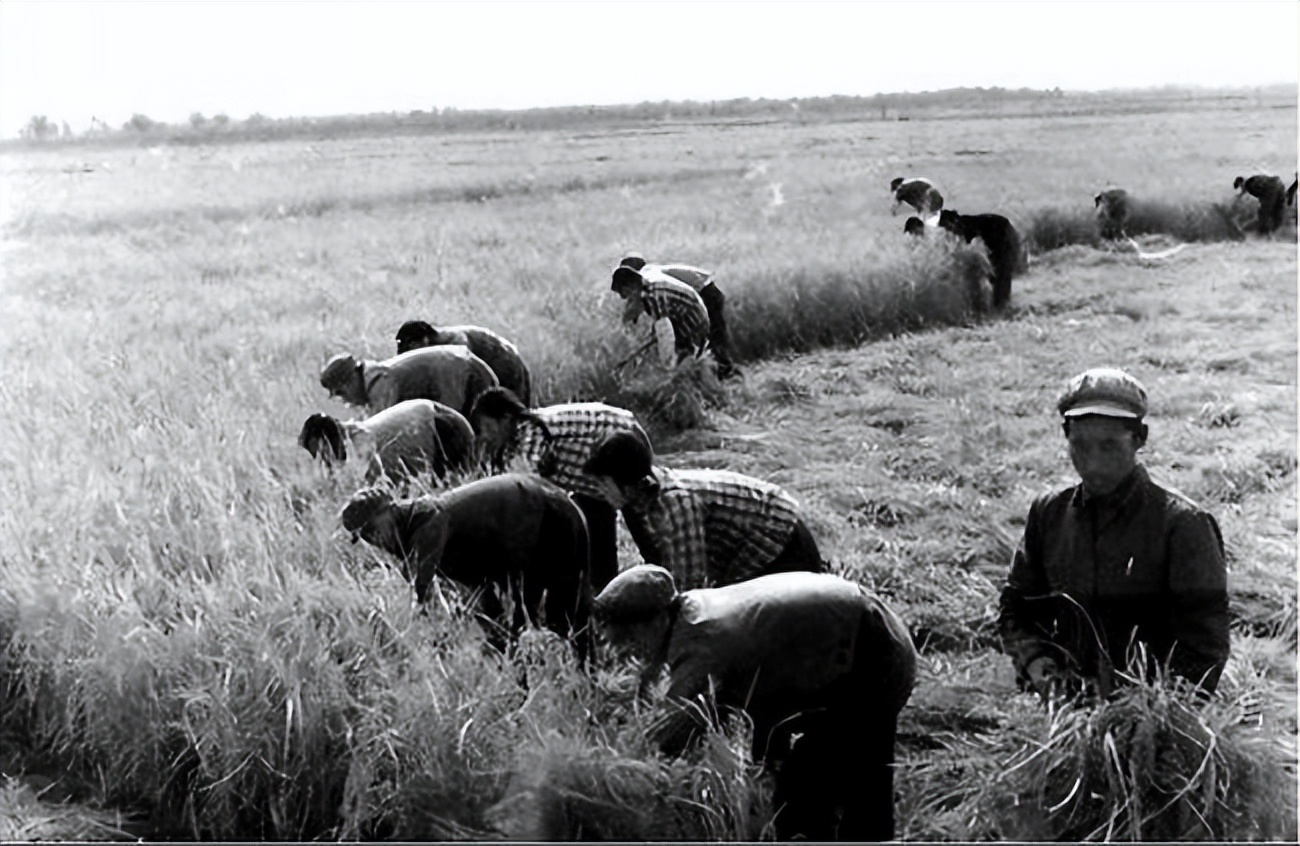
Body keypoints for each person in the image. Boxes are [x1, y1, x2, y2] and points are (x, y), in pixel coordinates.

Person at [594, 565, 917, 841]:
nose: (630, 652)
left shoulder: (702, 644)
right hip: (852, 634)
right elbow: (738, 699)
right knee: (822, 778)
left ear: (655, 622)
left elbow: (668, 737)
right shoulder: (693, 608)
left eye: (630, 639)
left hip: (874, 651)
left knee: (817, 787)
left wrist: (620, 781)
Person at [998, 367, 1230, 703]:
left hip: (1155, 720)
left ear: (1140, 438)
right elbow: (1016, 608)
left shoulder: (1183, 526)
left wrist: (1148, 719)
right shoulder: (1049, 514)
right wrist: (1035, 662)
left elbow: (1204, 648)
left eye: (1109, 446)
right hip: (1063, 713)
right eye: (1080, 446)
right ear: (1066, 436)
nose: (1093, 464)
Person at [341, 474, 592, 655]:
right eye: (363, 536)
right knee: (505, 625)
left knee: (564, 612)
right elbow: (476, 583)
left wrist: (420, 646)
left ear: (389, 511)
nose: (372, 540)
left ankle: (584, 676)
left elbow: (422, 597)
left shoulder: (426, 522)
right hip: (522, 525)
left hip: (542, 513)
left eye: (372, 529)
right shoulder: (414, 530)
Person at [582, 432, 825, 590]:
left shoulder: (674, 506)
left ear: (625, 482)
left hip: (782, 548)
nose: (599, 490)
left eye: (604, 482)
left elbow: (691, 590)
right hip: (760, 550)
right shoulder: (648, 497)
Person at [468, 387, 652, 591]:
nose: (486, 435)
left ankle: (658, 574)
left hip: (620, 439)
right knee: (594, 540)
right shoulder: (512, 445)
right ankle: (605, 596)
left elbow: (526, 487)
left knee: (640, 516)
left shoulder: (530, 431)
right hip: (590, 481)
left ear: (505, 418)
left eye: (487, 426)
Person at [619, 254, 739, 379]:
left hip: (706, 293)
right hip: (703, 293)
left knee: (714, 341)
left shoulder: (650, 275)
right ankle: (713, 374)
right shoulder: (650, 277)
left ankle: (727, 376)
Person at [298, 399, 474, 483]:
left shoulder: (361, 443)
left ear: (330, 440)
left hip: (442, 429)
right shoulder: (350, 432)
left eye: (322, 451)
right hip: (433, 417)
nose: (322, 459)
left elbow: (370, 493)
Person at [319, 345, 498, 418]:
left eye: (341, 393)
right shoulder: (374, 377)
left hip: (458, 373)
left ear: (351, 380)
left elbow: (382, 431)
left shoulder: (379, 383)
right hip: (457, 367)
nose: (345, 401)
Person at [394, 320, 532, 405]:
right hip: (491, 369)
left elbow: (459, 384)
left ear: (423, 340)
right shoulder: (438, 352)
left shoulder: (456, 343)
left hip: (506, 365)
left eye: (410, 348)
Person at [609, 265, 710, 368]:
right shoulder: (647, 280)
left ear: (631, 287)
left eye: (626, 293)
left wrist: (667, 364)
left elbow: (664, 329)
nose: (626, 298)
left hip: (694, 322)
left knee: (681, 363)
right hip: (686, 314)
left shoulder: (654, 294)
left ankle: (695, 361)